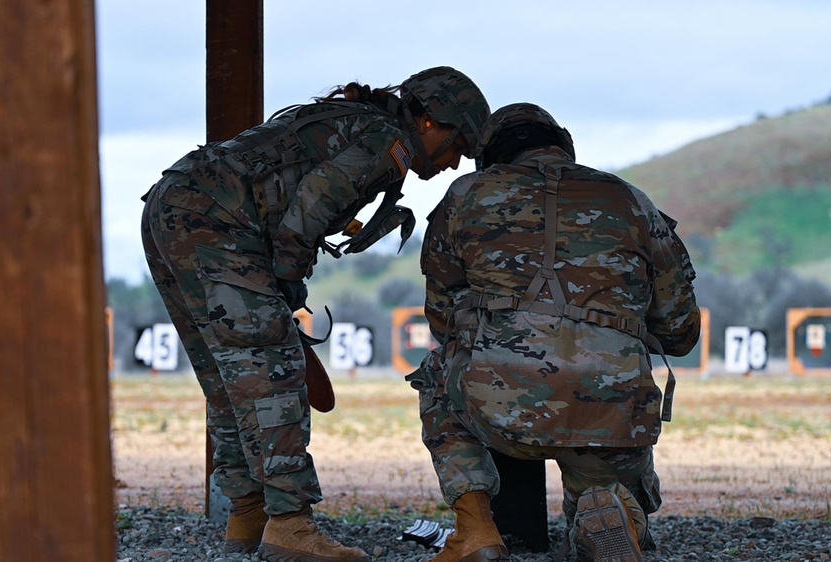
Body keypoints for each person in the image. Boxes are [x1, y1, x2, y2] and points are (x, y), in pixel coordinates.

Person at [140, 67, 489, 561]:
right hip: (216, 221)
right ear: (430, 123)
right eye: (457, 144)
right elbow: (306, 213)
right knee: (272, 370)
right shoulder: (386, 146)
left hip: (173, 207)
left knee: (229, 376)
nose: (454, 162)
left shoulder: (355, 122)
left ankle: (249, 514)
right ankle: (289, 526)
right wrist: (286, 283)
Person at [411, 103, 701, 562]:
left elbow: (443, 318)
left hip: (501, 410)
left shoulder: (466, 195)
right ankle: (605, 508)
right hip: (613, 415)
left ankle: (477, 529)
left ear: (491, 156)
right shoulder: (630, 199)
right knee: (600, 491)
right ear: (563, 144)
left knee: (435, 372)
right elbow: (681, 332)